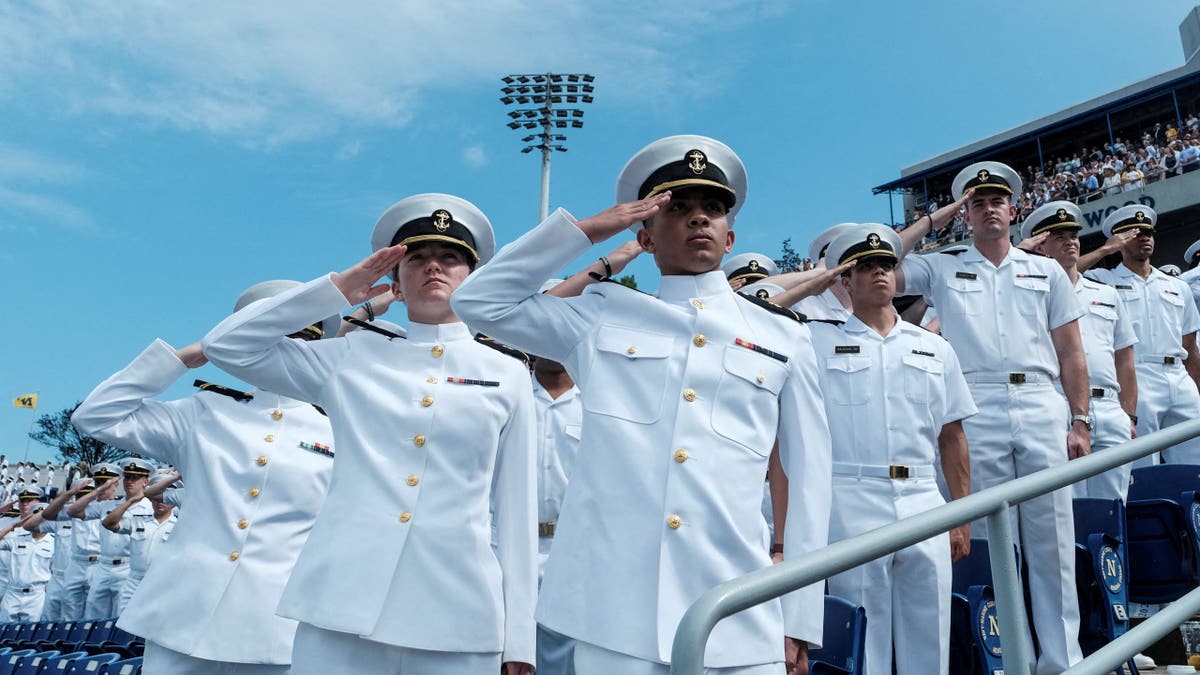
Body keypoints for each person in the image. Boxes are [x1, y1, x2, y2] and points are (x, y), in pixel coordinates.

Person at [452, 134, 833, 675]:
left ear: (730, 238)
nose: (698, 219)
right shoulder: (600, 316)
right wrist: (590, 230)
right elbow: (477, 301)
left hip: (739, 613)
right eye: (677, 208)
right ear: (646, 237)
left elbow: (811, 479)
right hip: (615, 616)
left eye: (713, 209)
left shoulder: (784, 338)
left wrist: (801, 612)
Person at [202, 194, 537, 675]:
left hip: (458, 610)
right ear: (395, 284)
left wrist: (520, 637)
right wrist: (337, 290)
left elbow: (516, 508)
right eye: (416, 259)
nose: (433, 268)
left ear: (473, 276)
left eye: (450, 258)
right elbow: (226, 346)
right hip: (340, 605)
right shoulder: (348, 358)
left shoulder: (506, 373)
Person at [71, 279, 340, 674]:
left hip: (275, 629)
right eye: (267, 339)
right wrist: (184, 358)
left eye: (294, 341)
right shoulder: (202, 413)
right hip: (182, 615)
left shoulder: (337, 431)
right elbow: (94, 416)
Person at [894, 161, 1089, 674]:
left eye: (995, 200)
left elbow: (1070, 352)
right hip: (975, 409)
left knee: (1053, 542)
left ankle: (1061, 662)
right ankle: (1005, 660)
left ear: (1013, 208)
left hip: (1040, 402)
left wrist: (1081, 419)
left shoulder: (1046, 271)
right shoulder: (942, 266)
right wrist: (938, 219)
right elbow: (883, 263)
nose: (988, 209)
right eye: (976, 203)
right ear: (967, 213)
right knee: (987, 545)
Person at [810, 224, 974, 675]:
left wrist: (961, 514)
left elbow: (952, 437)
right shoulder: (816, 342)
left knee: (931, 632)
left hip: (923, 497)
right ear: (844, 278)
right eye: (865, 267)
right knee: (865, 639)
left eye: (886, 265)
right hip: (853, 496)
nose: (880, 274)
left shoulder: (934, 348)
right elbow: (758, 302)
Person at [1020, 202, 1138, 501]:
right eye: (1059, 237)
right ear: (1041, 246)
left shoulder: (1106, 294)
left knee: (1114, 508)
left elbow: (1124, 359)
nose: (1071, 241)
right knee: (1070, 510)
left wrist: (1129, 416)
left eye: (1073, 235)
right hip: (1060, 407)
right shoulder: (1029, 298)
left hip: (1110, 409)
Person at [1081, 206, 1200, 464]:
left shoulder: (1177, 286)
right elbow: (1064, 274)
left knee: (1195, 462)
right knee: (1146, 463)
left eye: (1148, 232)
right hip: (1138, 376)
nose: (1144, 237)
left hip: (1179, 377)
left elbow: (1190, 347)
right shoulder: (1104, 280)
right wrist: (1105, 250)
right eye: (1135, 234)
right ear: (1119, 241)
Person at [68, 459, 153, 619]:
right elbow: (73, 511)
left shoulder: (150, 508)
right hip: (103, 566)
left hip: (128, 567)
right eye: (127, 477)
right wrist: (98, 490)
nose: (130, 482)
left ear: (145, 481)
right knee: (92, 616)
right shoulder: (109, 504)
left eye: (135, 478)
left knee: (121, 617)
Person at [102, 469, 177, 614]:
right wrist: (131, 501)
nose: (160, 502)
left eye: (165, 498)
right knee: (122, 624)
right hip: (133, 582)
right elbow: (108, 523)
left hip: (161, 583)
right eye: (155, 497)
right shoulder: (139, 521)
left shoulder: (179, 526)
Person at [35, 478, 101, 620]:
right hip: (64, 574)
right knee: (63, 617)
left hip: (96, 568)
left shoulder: (102, 513)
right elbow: (33, 525)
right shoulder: (65, 515)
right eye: (79, 496)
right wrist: (67, 494)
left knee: (92, 615)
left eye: (87, 495)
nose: (83, 500)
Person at [1, 498, 54, 622]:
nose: (38, 522)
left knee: (29, 634)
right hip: (12, 593)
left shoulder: (54, 542)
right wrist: (13, 526)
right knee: (4, 631)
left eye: (42, 519)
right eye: (35, 518)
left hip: (36, 595)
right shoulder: (17, 539)